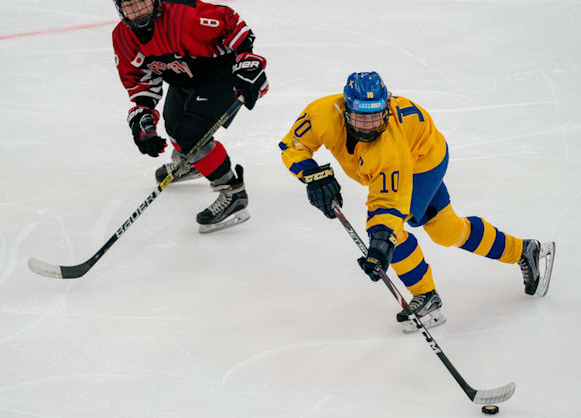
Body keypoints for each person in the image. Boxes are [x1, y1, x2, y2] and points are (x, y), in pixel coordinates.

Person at [278, 72, 556, 331]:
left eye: (375, 118)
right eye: (361, 119)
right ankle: (525, 251)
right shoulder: (321, 113)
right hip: (416, 150)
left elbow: (388, 203)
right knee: (447, 231)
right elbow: (293, 145)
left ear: (385, 111)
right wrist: (313, 174)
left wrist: (381, 243)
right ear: (346, 110)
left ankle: (425, 295)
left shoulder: (387, 148)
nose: (369, 127)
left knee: (391, 231)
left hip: (423, 162)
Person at [112, 0, 268, 233]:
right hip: (183, 78)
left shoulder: (185, 15)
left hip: (220, 71)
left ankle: (233, 192)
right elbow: (137, 79)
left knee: (190, 134)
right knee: (174, 126)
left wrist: (247, 63)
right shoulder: (122, 38)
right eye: (130, 4)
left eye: (142, 0)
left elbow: (231, 23)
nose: (138, 10)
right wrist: (143, 115)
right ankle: (195, 163)